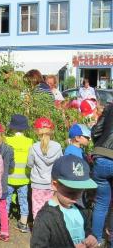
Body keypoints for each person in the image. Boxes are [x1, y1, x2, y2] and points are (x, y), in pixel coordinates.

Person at [31, 155, 98, 248]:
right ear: (55, 185)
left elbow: (87, 230)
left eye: (80, 192)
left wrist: (91, 237)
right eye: (70, 192)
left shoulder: (81, 211)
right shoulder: (45, 218)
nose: (76, 197)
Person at [27, 117, 63, 219]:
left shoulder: (34, 147)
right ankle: (50, 232)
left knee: (37, 210)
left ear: (37, 131)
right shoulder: (57, 147)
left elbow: (29, 164)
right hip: (52, 184)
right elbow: (60, 164)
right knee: (51, 210)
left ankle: (38, 232)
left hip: (37, 184)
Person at [5, 114, 33, 233]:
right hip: (24, 178)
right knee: (23, 201)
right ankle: (23, 223)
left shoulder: (7, 140)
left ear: (12, 127)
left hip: (9, 178)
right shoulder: (30, 141)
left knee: (6, 200)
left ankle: (3, 222)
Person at [91, 102, 113, 245]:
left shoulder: (110, 107)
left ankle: (95, 242)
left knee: (100, 204)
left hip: (102, 157)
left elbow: (96, 132)